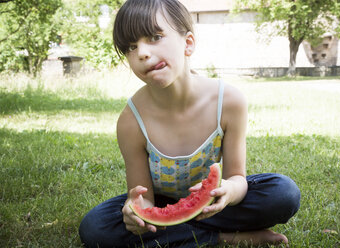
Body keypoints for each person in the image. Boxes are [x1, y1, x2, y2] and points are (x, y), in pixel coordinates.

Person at [79, 0, 301, 247]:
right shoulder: (131, 121)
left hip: (216, 203)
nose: (141, 52)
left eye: (154, 36)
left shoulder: (229, 102)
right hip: (163, 203)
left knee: (284, 193)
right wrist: (136, 212)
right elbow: (145, 199)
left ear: (188, 43)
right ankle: (224, 238)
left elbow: (237, 177)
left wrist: (228, 192)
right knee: (95, 228)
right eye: (131, 46)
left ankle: (178, 237)